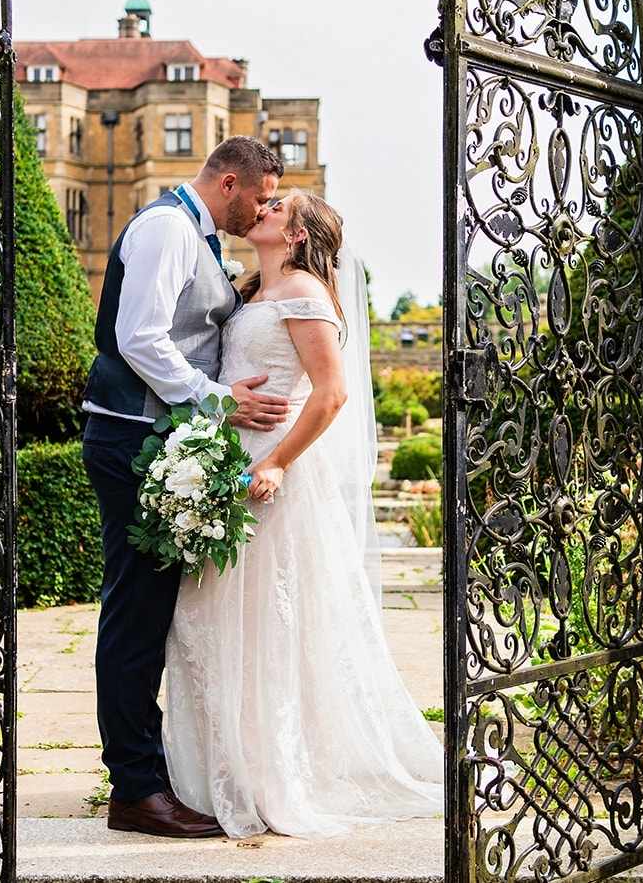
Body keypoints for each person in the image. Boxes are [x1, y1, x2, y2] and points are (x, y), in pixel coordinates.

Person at [162, 191, 445, 837]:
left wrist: (278, 462)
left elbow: (332, 391)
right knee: (207, 614)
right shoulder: (250, 288)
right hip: (223, 464)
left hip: (271, 474)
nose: (261, 207)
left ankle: (267, 770)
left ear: (295, 234)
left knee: (265, 620)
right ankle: (212, 769)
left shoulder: (305, 292)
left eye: (276, 206)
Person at [79, 136, 289, 839]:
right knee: (135, 611)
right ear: (229, 182)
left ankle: (146, 773)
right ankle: (136, 787)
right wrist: (216, 399)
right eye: (260, 197)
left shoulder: (195, 235)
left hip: (151, 438)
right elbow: (141, 337)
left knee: (150, 608)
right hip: (128, 436)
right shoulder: (168, 229)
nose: (262, 208)